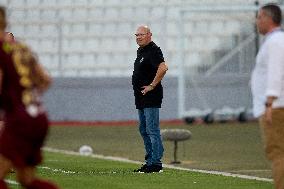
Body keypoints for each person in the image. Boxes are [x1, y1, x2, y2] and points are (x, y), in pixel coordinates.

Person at [0, 6, 59, 189]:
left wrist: (12, 102)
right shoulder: (22, 48)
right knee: (26, 179)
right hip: (38, 116)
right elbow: (46, 80)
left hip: (19, 120)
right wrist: (25, 96)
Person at [251, 3, 284, 189]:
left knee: (278, 152)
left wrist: (270, 102)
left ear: (266, 18)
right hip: (275, 104)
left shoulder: (276, 41)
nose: (257, 22)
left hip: (276, 106)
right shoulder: (276, 40)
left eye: (258, 17)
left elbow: (276, 72)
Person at [132, 25, 168, 173]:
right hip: (141, 97)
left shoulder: (153, 50)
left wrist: (152, 85)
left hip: (151, 96)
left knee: (152, 129)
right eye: (136, 35)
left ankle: (156, 163)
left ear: (149, 35)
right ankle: (150, 160)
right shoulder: (141, 51)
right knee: (143, 129)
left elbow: (163, 67)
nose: (138, 37)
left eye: (141, 34)